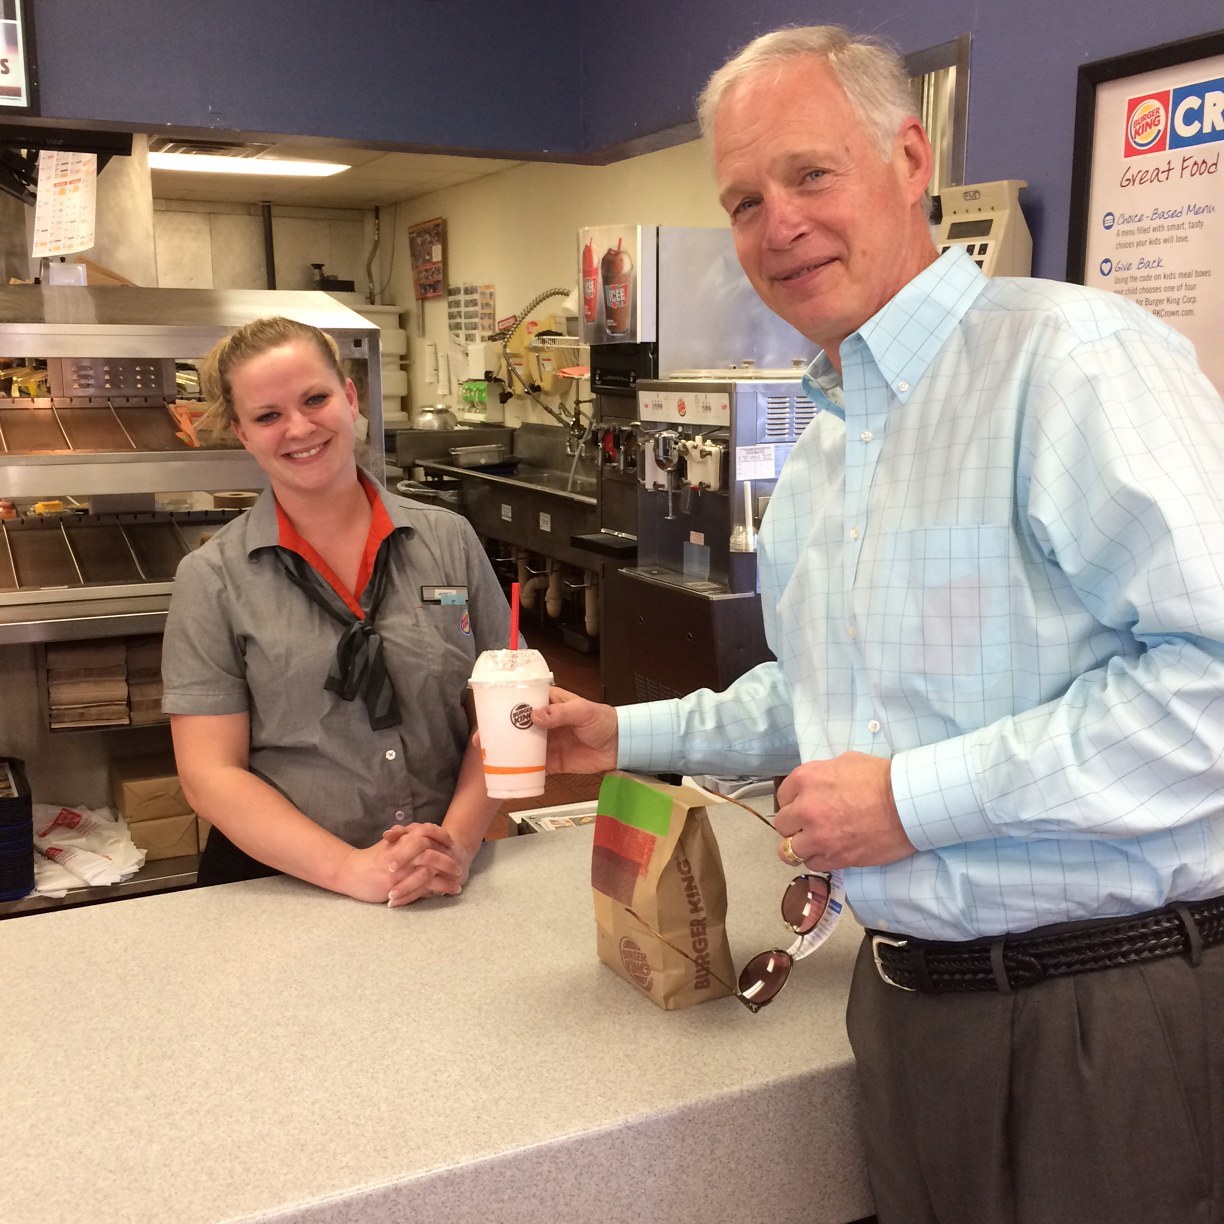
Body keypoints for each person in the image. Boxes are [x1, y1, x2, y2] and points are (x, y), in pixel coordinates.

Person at [534, 24, 1224, 1224]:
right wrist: (620, 736)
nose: (777, 225)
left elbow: (1211, 685)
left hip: (1092, 1012)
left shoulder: (1072, 358)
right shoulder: (831, 445)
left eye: (810, 174)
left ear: (910, 160)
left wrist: (911, 800)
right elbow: (825, 700)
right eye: (744, 201)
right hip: (903, 1001)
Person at [162, 316, 509, 906]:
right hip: (283, 887)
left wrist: (457, 842)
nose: (298, 428)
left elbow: (506, 716)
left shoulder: (448, 541)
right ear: (243, 435)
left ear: (350, 398)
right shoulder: (212, 579)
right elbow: (209, 774)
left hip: (444, 876)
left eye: (315, 398)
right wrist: (349, 869)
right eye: (267, 416)